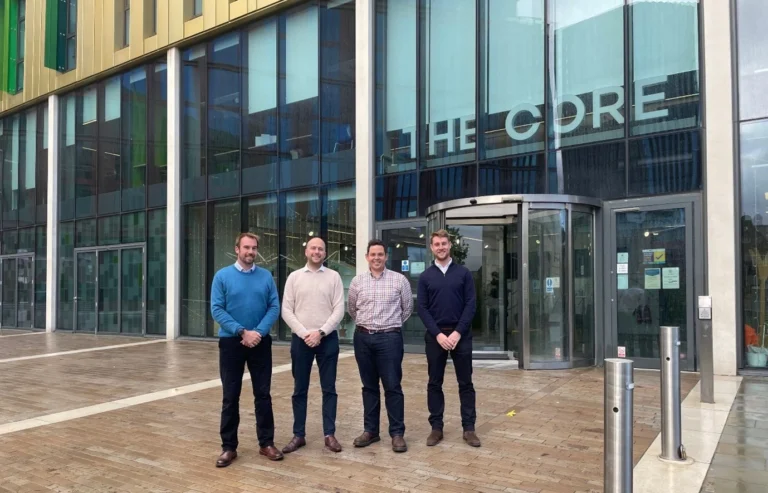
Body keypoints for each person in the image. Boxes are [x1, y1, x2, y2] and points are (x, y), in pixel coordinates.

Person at [211, 232, 283, 467]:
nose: (251, 252)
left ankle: (266, 443)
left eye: (254, 248)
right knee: (230, 396)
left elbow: (274, 307)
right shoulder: (222, 276)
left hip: (260, 342)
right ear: (237, 249)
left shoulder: (265, 277)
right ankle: (228, 447)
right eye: (246, 247)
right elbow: (217, 309)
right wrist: (242, 331)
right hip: (232, 342)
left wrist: (258, 332)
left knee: (263, 394)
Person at [347, 239, 413, 453]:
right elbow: (352, 309)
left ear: (386, 256)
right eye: (373, 254)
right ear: (367, 257)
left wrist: (388, 326)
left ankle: (397, 433)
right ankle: (371, 431)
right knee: (368, 386)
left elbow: (407, 309)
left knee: (392, 386)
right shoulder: (357, 282)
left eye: (380, 254)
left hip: (390, 339)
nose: (376, 258)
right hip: (363, 338)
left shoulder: (399, 280)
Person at [281, 237, 345, 454]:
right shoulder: (294, 277)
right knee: (299, 389)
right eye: (313, 248)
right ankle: (298, 435)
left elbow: (339, 309)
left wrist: (321, 332)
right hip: (301, 340)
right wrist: (305, 333)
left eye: (321, 249)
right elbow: (286, 310)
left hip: (327, 340)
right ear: (306, 251)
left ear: (325, 253)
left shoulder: (334, 277)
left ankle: (329, 434)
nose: (317, 252)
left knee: (329, 388)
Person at [417, 229, 480, 448]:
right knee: (434, 383)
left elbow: (471, 304)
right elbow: (422, 308)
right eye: (437, 244)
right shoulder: (425, 277)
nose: (441, 247)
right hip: (436, 337)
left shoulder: (464, 273)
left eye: (444, 243)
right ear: (431, 247)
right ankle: (436, 428)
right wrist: (438, 334)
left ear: (450, 245)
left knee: (466, 383)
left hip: (460, 335)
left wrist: (457, 332)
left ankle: (469, 428)